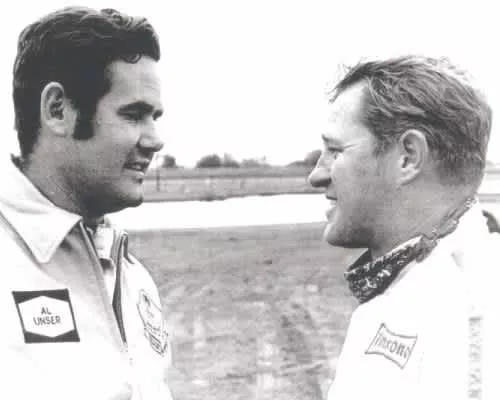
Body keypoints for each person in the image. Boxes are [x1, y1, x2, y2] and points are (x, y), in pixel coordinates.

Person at [0, 6, 173, 400]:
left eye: (155, 117)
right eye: (134, 115)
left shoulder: (133, 276)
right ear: (57, 110)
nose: (155, 139)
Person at [308, 56, 500, 400]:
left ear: (408, 157)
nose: (316, 175)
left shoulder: (473, 313)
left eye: (335, 151)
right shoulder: (411, 282)